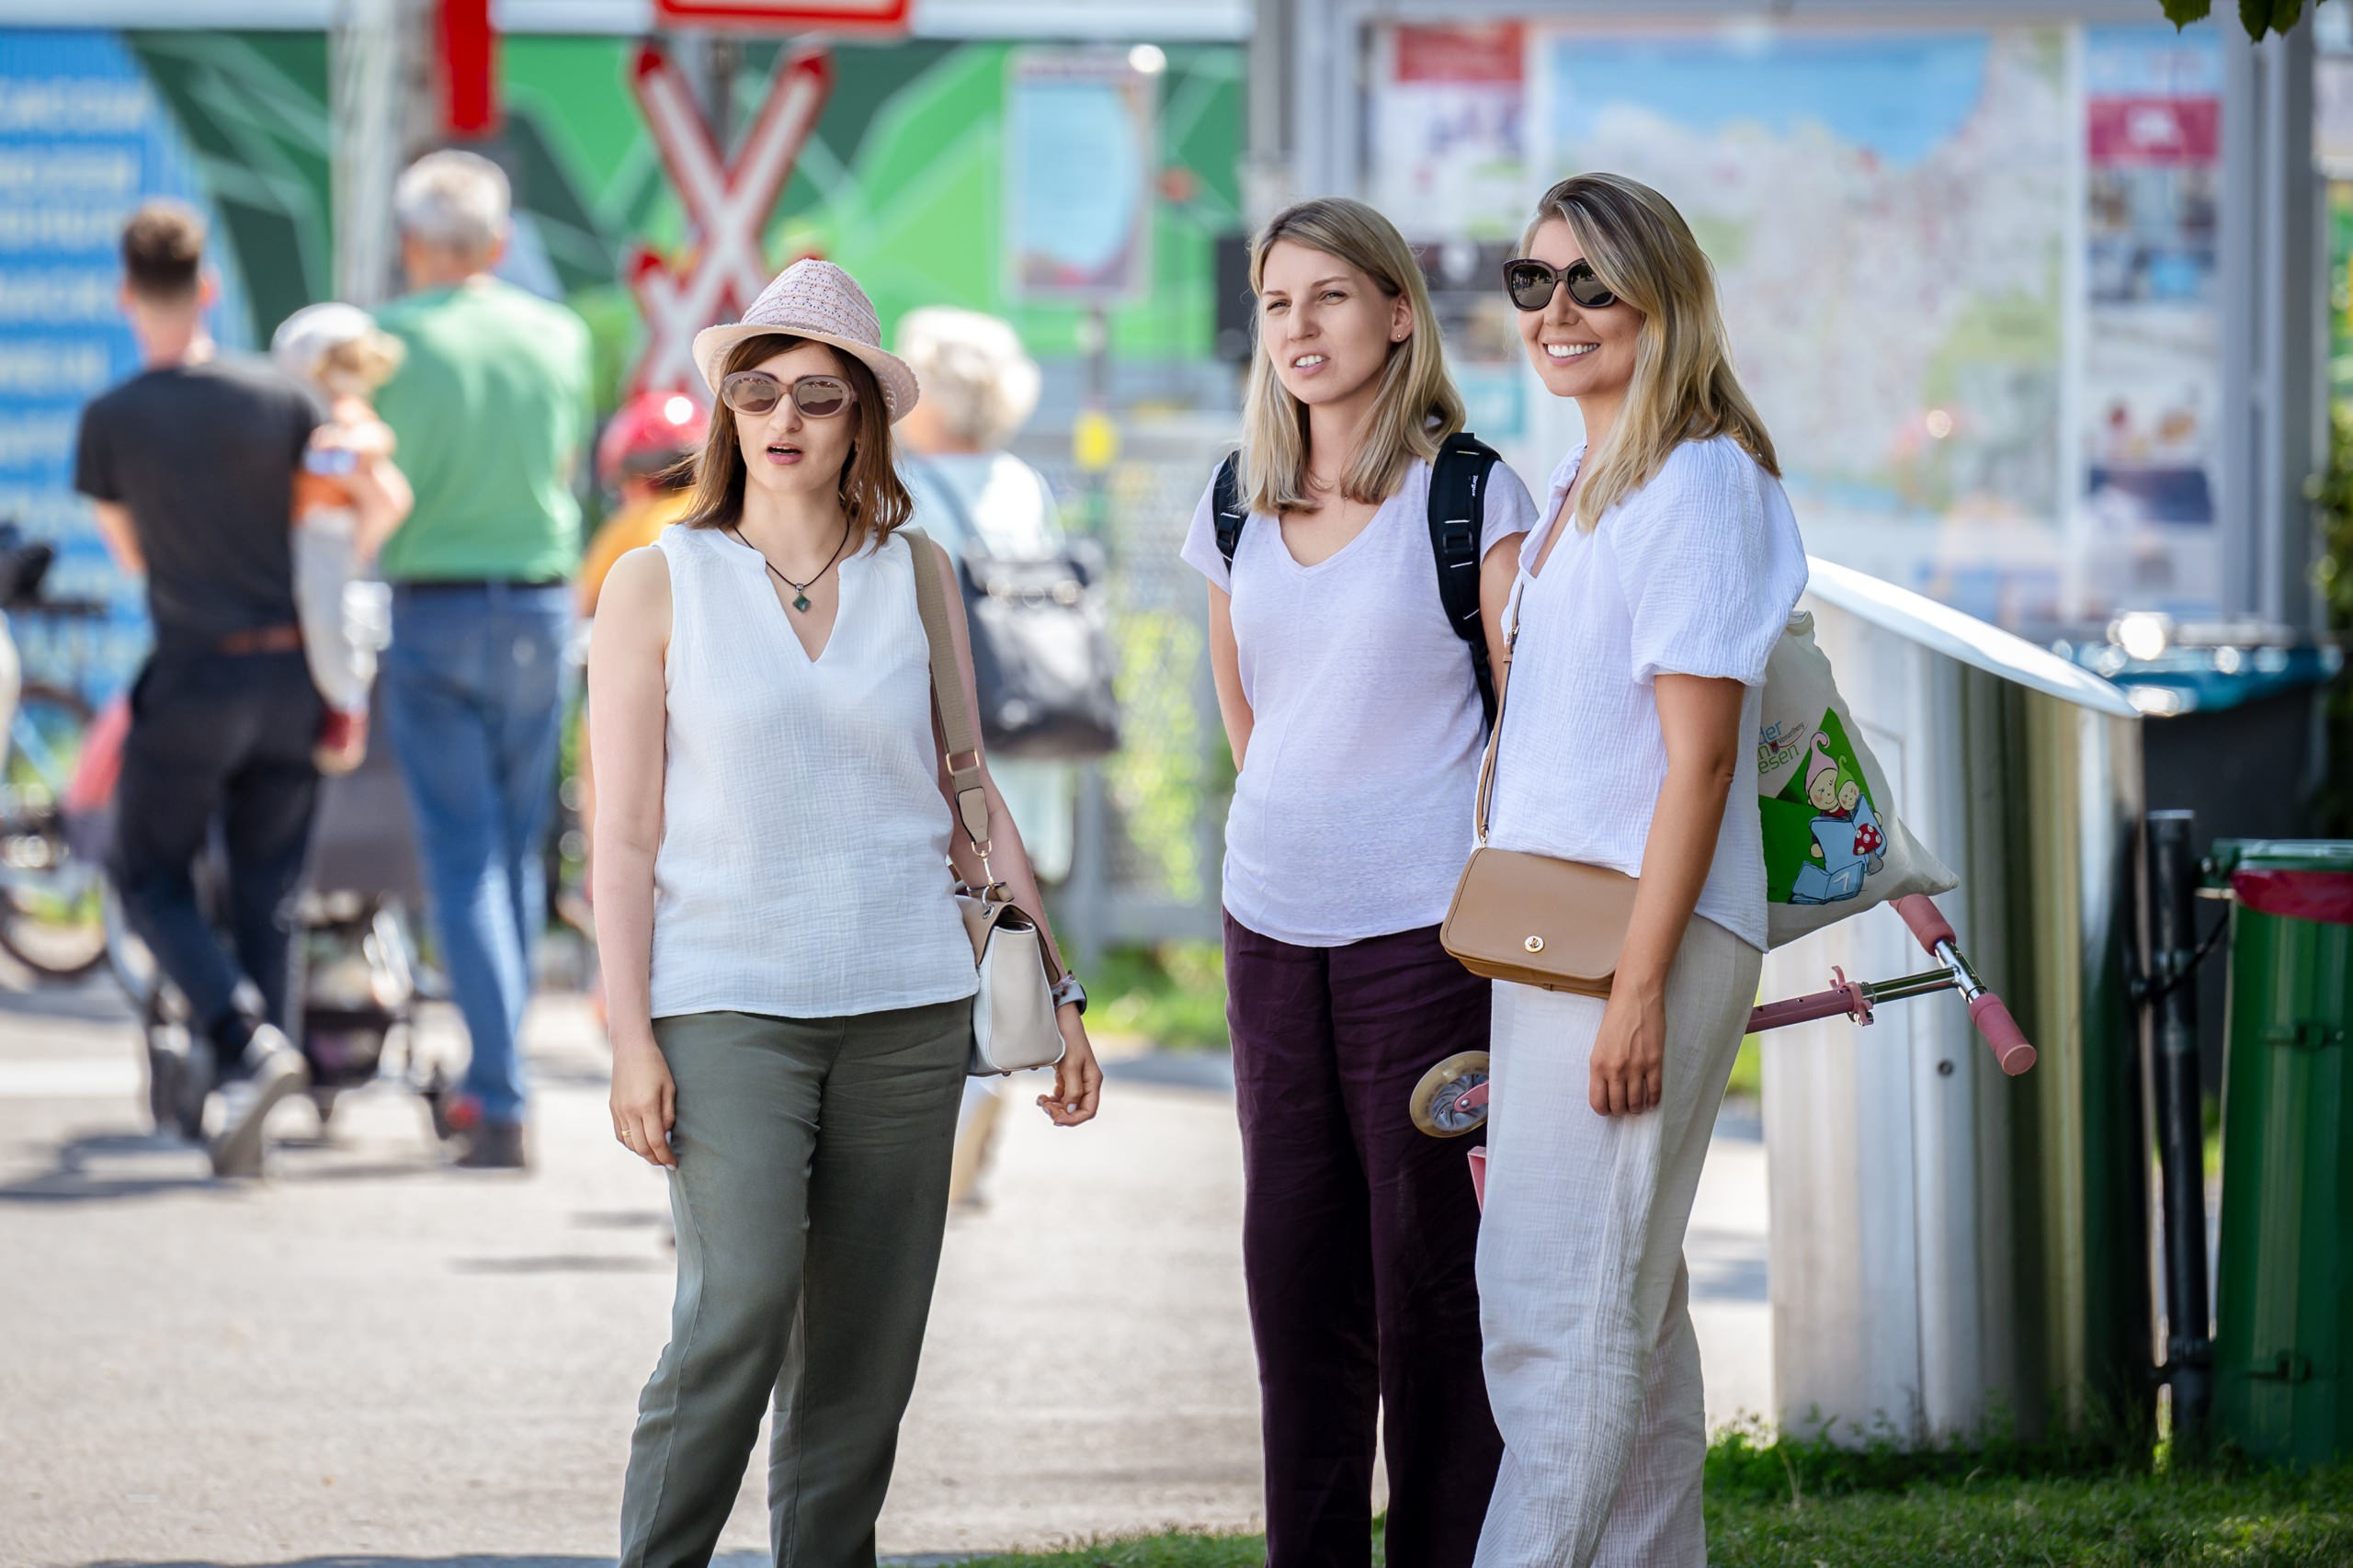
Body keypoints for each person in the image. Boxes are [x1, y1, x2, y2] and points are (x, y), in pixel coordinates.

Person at [591, 259, 1104, 1566]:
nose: (784, 416)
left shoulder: (918, 572)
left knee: (865, 1357)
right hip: (725, 1000)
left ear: (862, 418)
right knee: (741, 1303)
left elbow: (969, 793)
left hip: (907, 1002)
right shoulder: (658, 580)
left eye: (817, 395)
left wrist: (1057, 992)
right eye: (757, 389)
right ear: (726, 410)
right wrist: (629, 1036)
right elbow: (625, 833)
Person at [1177, 197, 1538, 1568]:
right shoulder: (1235, 497)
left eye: (1329, 296)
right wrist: (1306, 834)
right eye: (1277, 302)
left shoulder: (1472, 495)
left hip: (1429, 936)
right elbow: (1247, 712)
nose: (1299, 326)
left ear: (1397, 313)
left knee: (1430, 1277)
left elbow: (1529, 718)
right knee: (1296, 1269)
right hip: (1271, 925)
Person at [1471, 172, 1808, 1568]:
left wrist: (1637, 989)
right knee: (1630, 1305)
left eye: (1591, 282)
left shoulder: (1698, 481)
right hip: (1566, 929)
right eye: (1533, 278)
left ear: (1660, 301)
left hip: (1635, 939)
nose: (1556, 308)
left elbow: (1702, 761)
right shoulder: (1584, 477)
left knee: (1557, 1308)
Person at [74, 200, 325, 1176]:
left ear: (126, 296)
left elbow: (134, 555)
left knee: (147, 873)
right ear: (208, 287)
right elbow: (327, 525)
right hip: (292, 673)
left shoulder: (112, 420)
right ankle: (253, 1100)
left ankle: (242, 1040)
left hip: (194, 671)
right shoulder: (285, 399)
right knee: (267, 888)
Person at [371, 149, 593, 1169]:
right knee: (511, 853)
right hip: (541, 609)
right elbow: (566, 463)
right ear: (498, 244)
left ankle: (500, 1097)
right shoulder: (558, 335)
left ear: (412, 244)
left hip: (433, 610)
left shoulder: (386, 342)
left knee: (465, 863)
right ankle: (498, 1076)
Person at [270, 301, 414, 775]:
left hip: (328, 531)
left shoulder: (340, 416)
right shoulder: (310, 412)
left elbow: (379, 458)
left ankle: (346, 704)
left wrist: (341, 453)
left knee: (328, 620)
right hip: (320, 534)